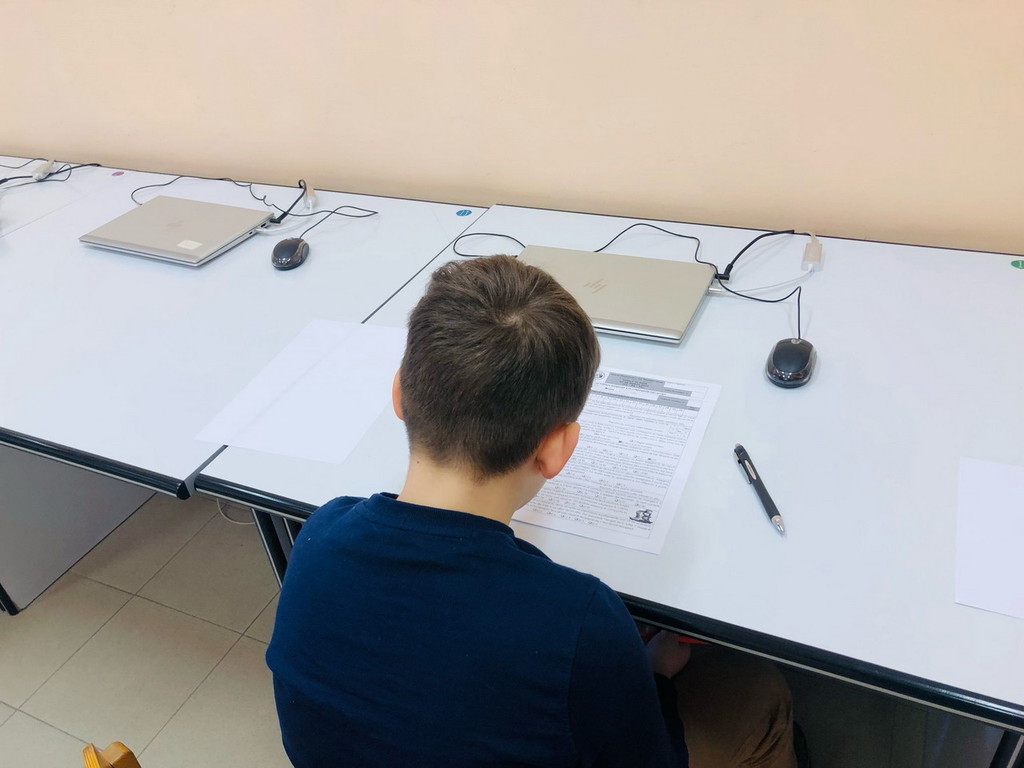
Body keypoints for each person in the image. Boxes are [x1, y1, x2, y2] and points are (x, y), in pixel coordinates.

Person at [267, 254, 798, 767]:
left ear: (400, 394)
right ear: (556, 450)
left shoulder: (318, 535)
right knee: (760, 691)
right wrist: (652, 675)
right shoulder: (582, 622)